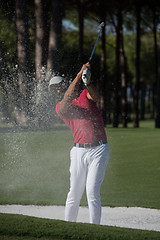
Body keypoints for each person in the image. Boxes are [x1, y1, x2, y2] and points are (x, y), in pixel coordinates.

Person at [49, 62, 109, 224]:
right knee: (74, 194)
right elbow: (67, 98)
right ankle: (69, 227)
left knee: (91, 192)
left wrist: (87, 82)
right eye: (55, 89)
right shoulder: (60, 107)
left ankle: (95, 229)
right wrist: (79, 74)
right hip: (78, 152)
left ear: (66, 84)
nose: (58, 90)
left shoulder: (84, 94)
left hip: (99, 149)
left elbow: (96, 97)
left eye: (60, 86)